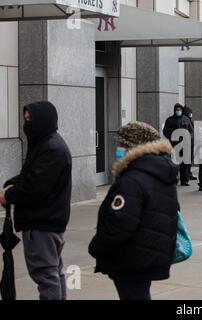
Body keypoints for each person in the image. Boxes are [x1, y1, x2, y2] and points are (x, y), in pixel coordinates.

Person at [89, 122, 179, 300]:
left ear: (132, 146)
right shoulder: (158, 172)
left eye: (121, 144)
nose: (118, 149)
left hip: (131, 258)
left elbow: (120, 223)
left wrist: (97, 247)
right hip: (147, 254)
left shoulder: (132, 179)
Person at [0, 101, 72, 300]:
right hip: (47, 223)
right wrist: (11, 184)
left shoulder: (51, 148)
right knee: (54, 274)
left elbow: (34, 187)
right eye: (25, 119)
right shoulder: (47, 145)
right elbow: (31, 176)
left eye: (30, 119)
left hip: (42, 224)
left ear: (43, 120)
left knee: (46, 276)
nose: (27, 124)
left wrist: (8, 195)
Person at [163, 103, 194, 186]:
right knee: (174, 163)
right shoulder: (170, 120)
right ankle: (174, 179)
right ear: (174, 110)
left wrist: (189, 137)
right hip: (174, 145)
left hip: (185, 144)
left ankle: (184, 180)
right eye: (177, 110)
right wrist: (172, 137)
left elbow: (191, 130)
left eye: (180, 110)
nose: (178, 111)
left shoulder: (186, 119)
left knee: (185, 164)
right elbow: (165, 131)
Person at [183, 106, 197, 181]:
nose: (191, 115)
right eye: (189, 113)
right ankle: (186, 174)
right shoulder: (185, 121)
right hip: (186, 143)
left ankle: (188, 173)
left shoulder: (189, 120)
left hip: (190, 143)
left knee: (189, 159)